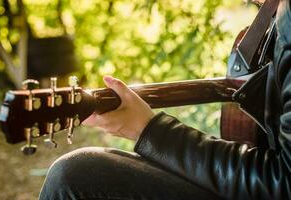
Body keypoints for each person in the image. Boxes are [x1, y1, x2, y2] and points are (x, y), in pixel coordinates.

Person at [39, 0, 291, 199]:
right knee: (78, 172)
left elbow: (284, 184)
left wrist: (149, 130)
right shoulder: (274, 17)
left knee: (74, 177)